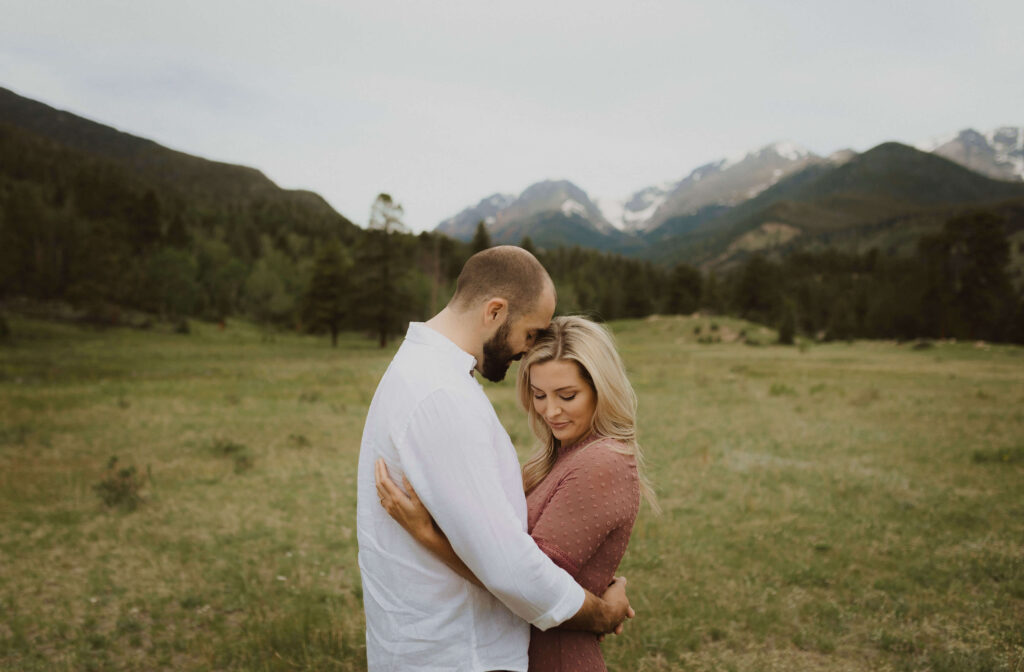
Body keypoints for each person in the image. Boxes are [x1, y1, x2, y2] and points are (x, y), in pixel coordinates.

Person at [356, 247, 634, 672]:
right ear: (495, 312)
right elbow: (508, 567)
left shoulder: (423, 375)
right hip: (458, 653)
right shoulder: (443, 396)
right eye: (530, 332)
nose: (528, 350)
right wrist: (603, 613)